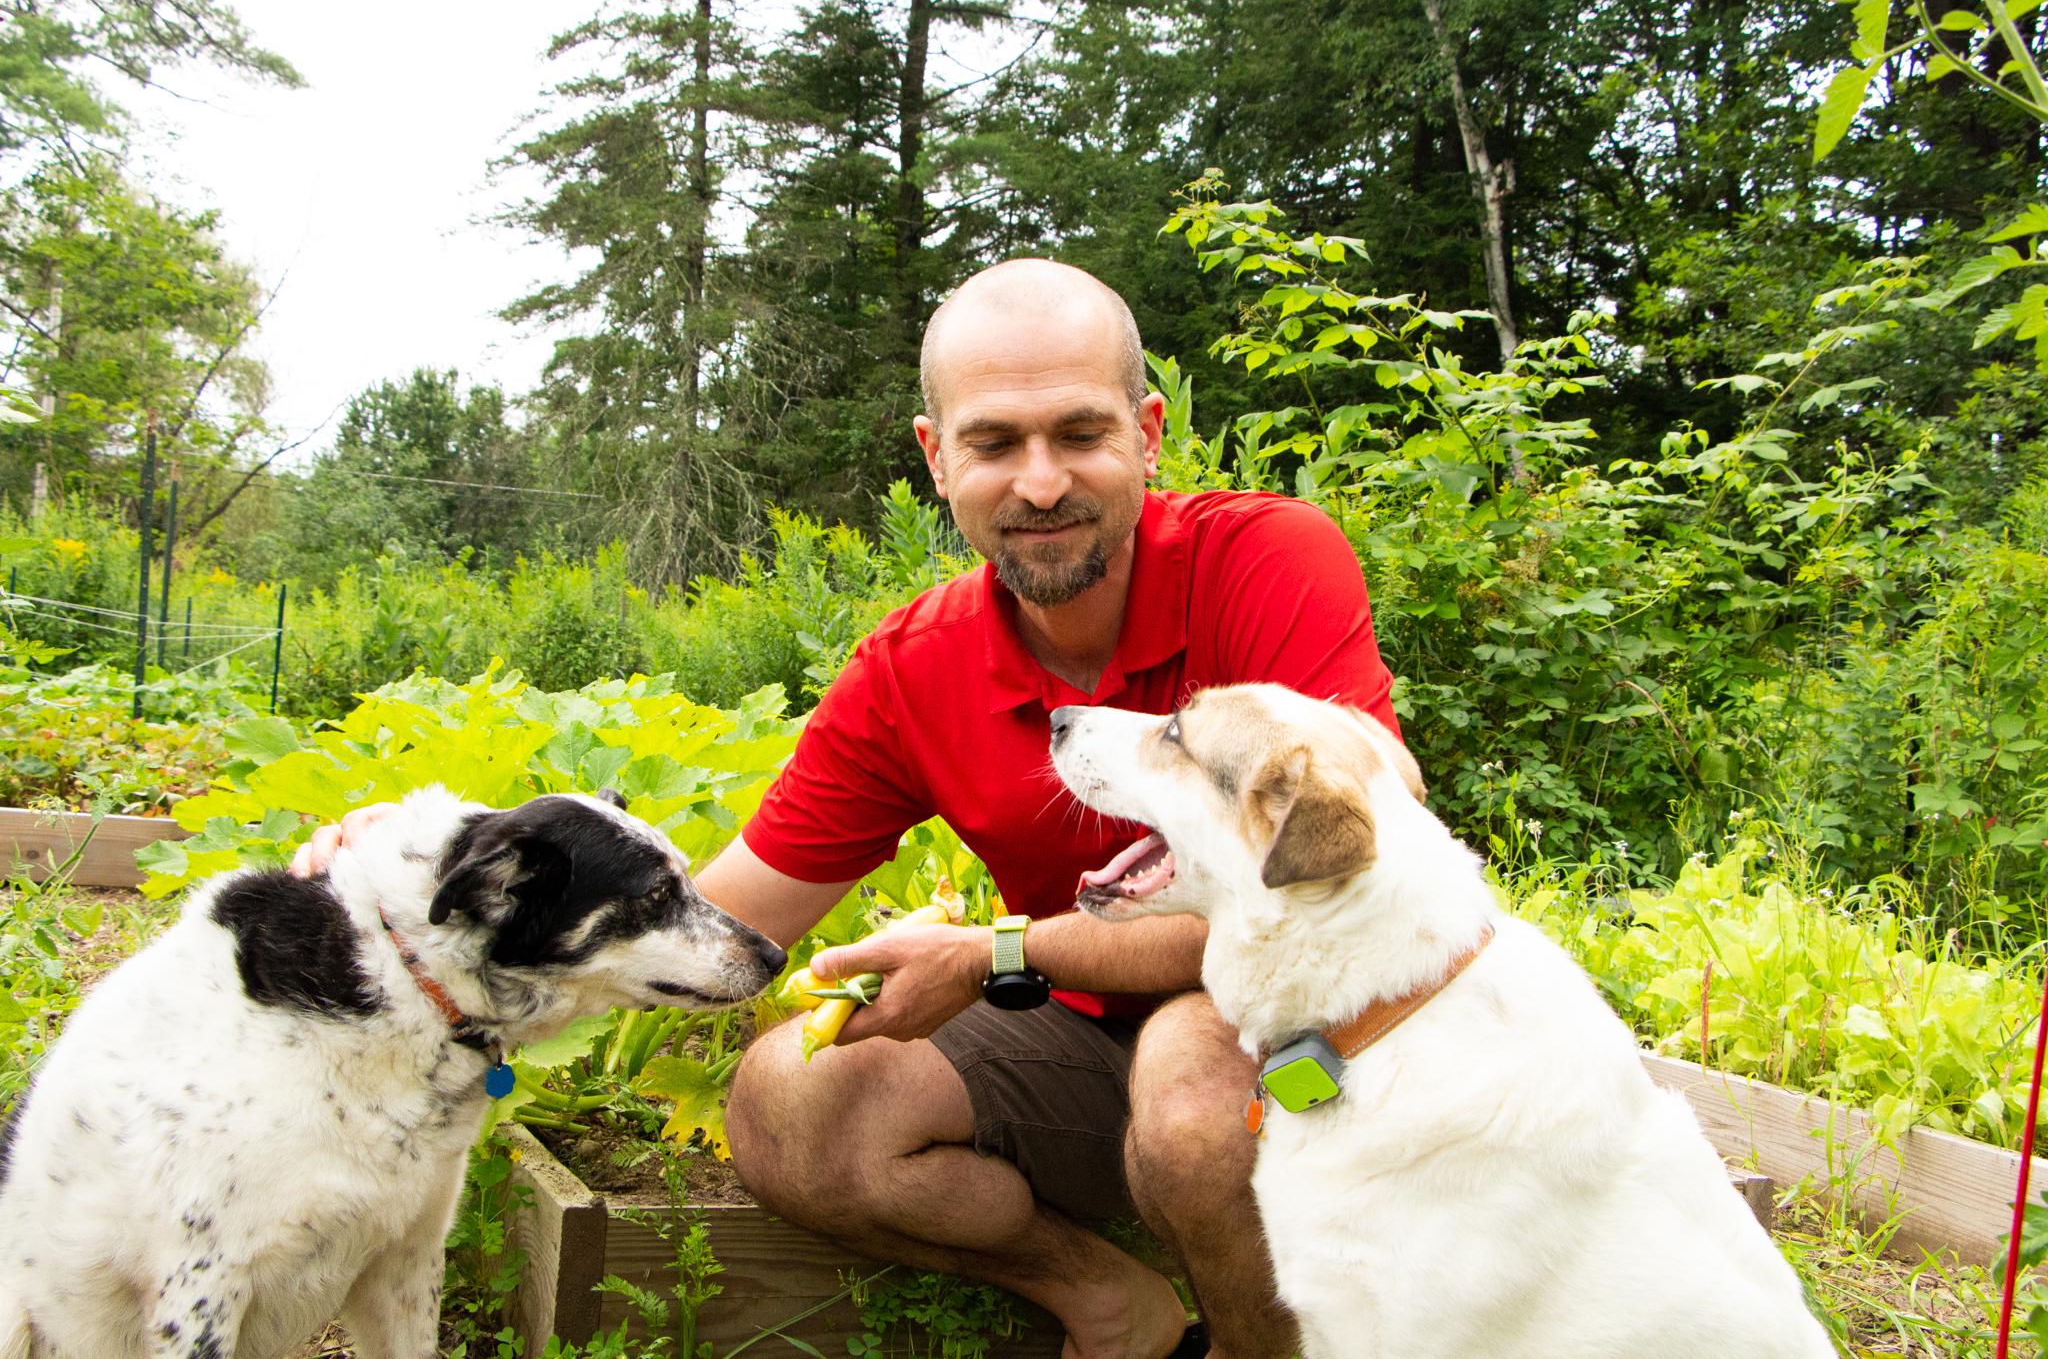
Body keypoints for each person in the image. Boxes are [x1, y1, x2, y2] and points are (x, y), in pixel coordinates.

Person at [296, 259, 1398, 1359]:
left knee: (1193, 1105)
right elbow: (718, 912)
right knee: (796, 1104)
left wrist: (992, 952)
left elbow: (1341, 881)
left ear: (1147, 431)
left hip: (1302, 1021)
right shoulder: (916, 669)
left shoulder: (1262, 563)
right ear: (934, 456)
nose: (1042, 482)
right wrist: (418, 875)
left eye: (1078, 433)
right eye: (993, 443)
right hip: (1080, 1035)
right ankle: (1110, 1300)